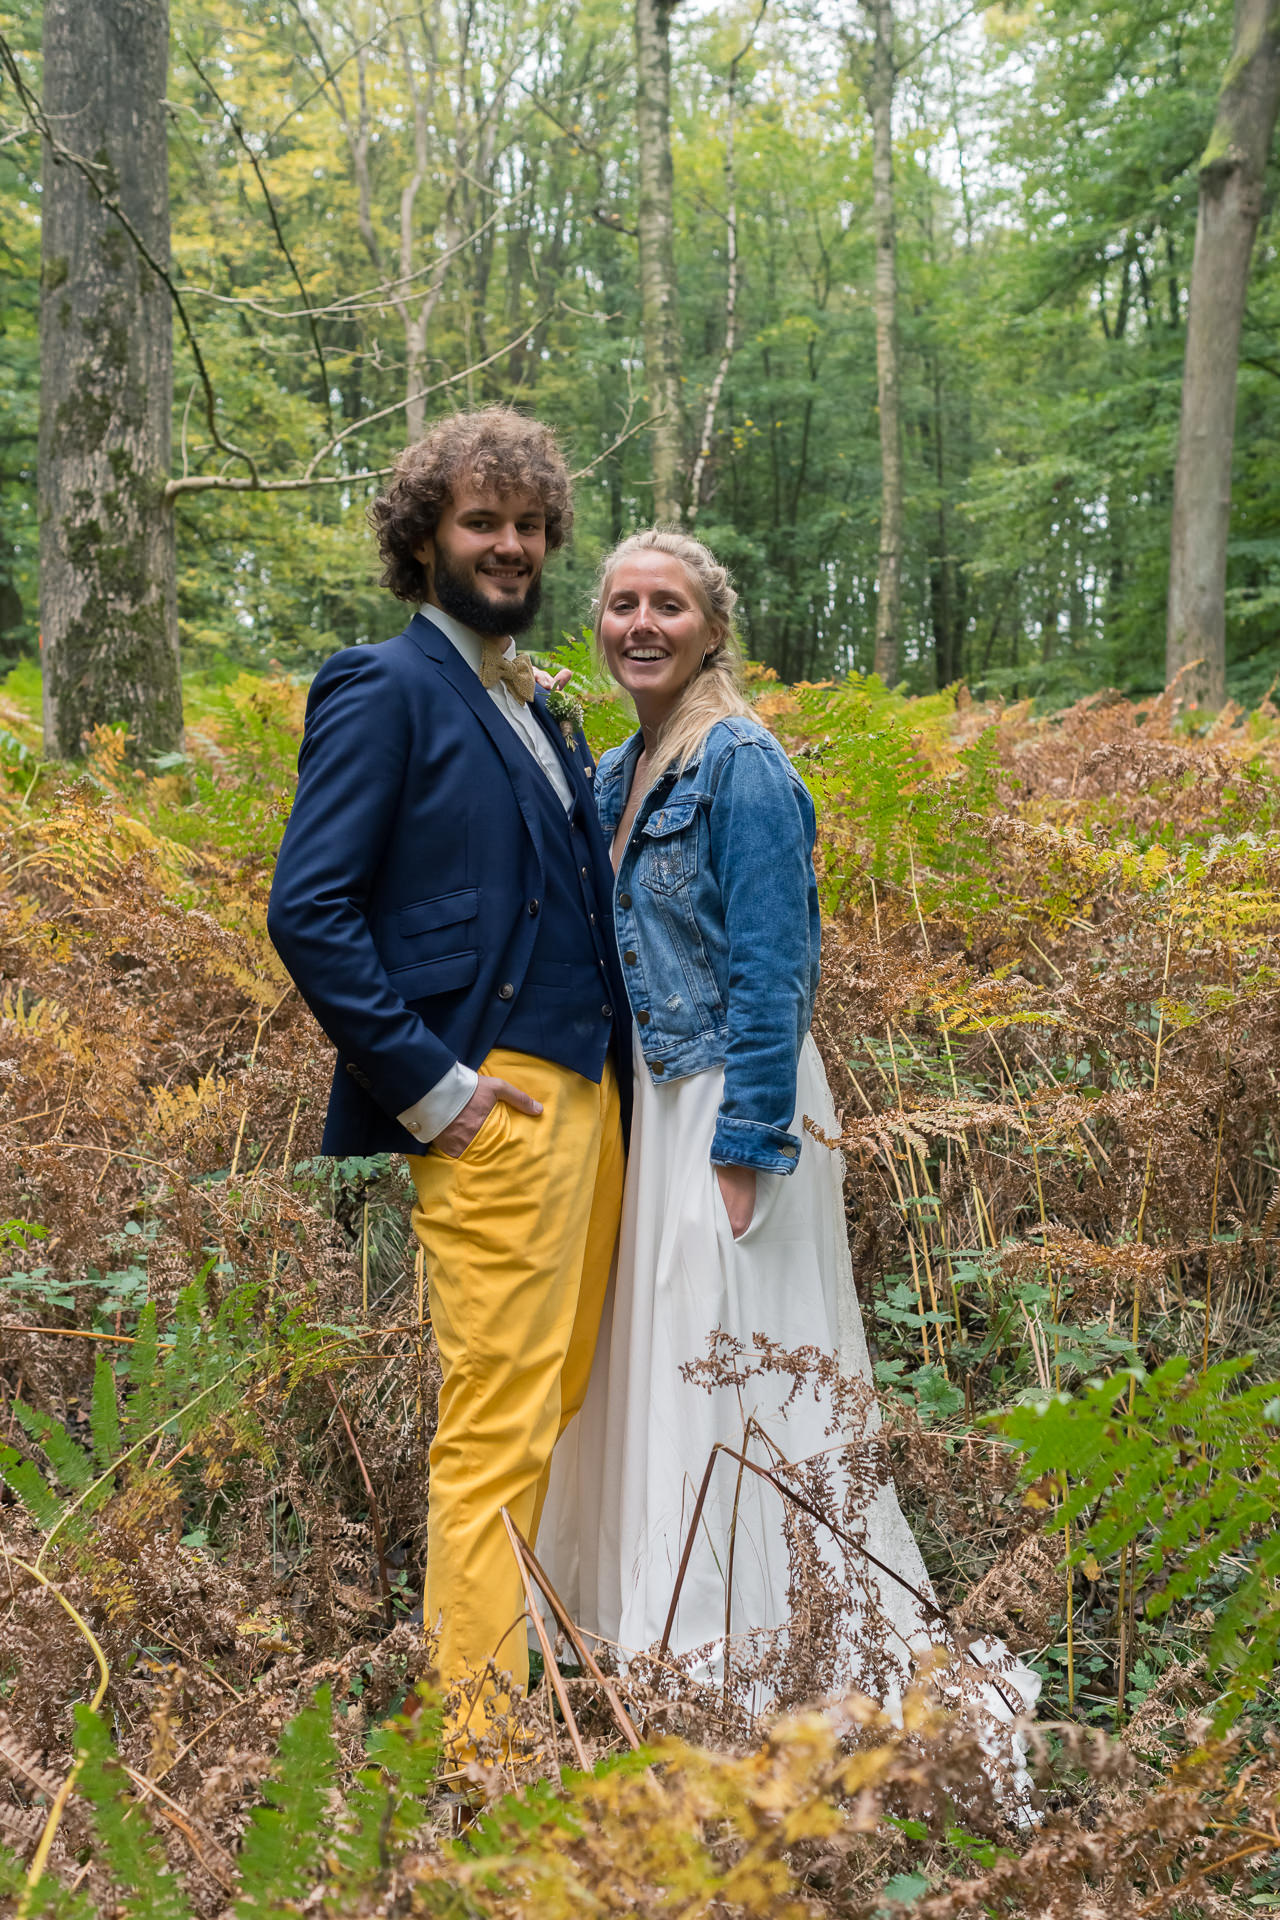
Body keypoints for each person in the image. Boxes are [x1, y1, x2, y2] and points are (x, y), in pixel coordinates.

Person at [537, 529, 1039, 1749]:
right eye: (618, 605)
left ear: (712, 626)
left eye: (665, 605)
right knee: (656, 1357)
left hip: (728, 1099)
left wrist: (747, 1140)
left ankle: (760, 1651)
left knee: (735, 1359)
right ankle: (642, 1625)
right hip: (653, 1100)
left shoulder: (742, 764)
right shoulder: (622, 765)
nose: (638, 625)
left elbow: (777, 968)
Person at [266, 408, 630, 1762]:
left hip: (591, 1103)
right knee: (495, 1422)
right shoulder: (385, 683)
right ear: (424, 536)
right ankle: (483, 1748)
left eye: (531, 526)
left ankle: (545, 1669)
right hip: (494, 1109)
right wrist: (434, 1088)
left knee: (561, 1402)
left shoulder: (539, 703)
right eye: (484, 521)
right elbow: (310, 910)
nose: (513, 545)